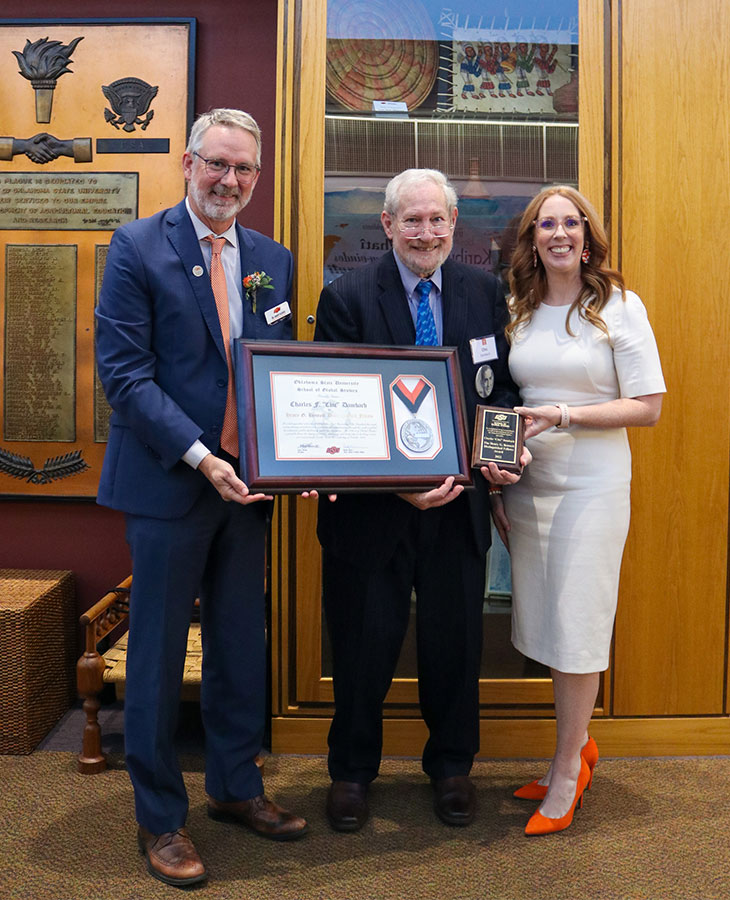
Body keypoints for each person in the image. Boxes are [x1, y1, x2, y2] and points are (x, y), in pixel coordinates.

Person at [95, 108, 310, 887]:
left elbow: (276, 365)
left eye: (244, 169)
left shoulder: (271, 258)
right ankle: (160, 819)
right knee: (153, 658)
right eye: (217, 164)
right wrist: (198, 455)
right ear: (188, 164)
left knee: (238, 643)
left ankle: (235, 788)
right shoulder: (137, 247)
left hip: (248, 487)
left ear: (258, 175)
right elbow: (125, 376)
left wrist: (299, 451)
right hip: (169, 482)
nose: (229, 181)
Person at [314, 168, 523, 832]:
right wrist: (397, 483)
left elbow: (501, 392)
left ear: (453, 224)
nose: (426, 232)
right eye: (412, 220)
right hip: (374, 512)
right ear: (387, 225)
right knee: (363, 645)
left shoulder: (485, 293)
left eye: (437, 220)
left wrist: (501, 450)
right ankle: (350, 773)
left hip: (459, 507)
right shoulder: (346, 296)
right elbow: (335, 406)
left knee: (454, 645)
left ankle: (453, 767)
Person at [491, 185, 665, 836]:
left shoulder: (618, 307)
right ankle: (574, 747)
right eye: (546, 223)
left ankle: (568, 769)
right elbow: (506, 398)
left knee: (579, 623)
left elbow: (647, 406)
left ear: (587, 235)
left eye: (570, 222)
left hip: (592, 484)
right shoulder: (517, 307)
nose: (558, 233)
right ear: (531, 238)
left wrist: (564, 414)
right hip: (529, 487)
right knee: (541, 619)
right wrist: (499, 482)